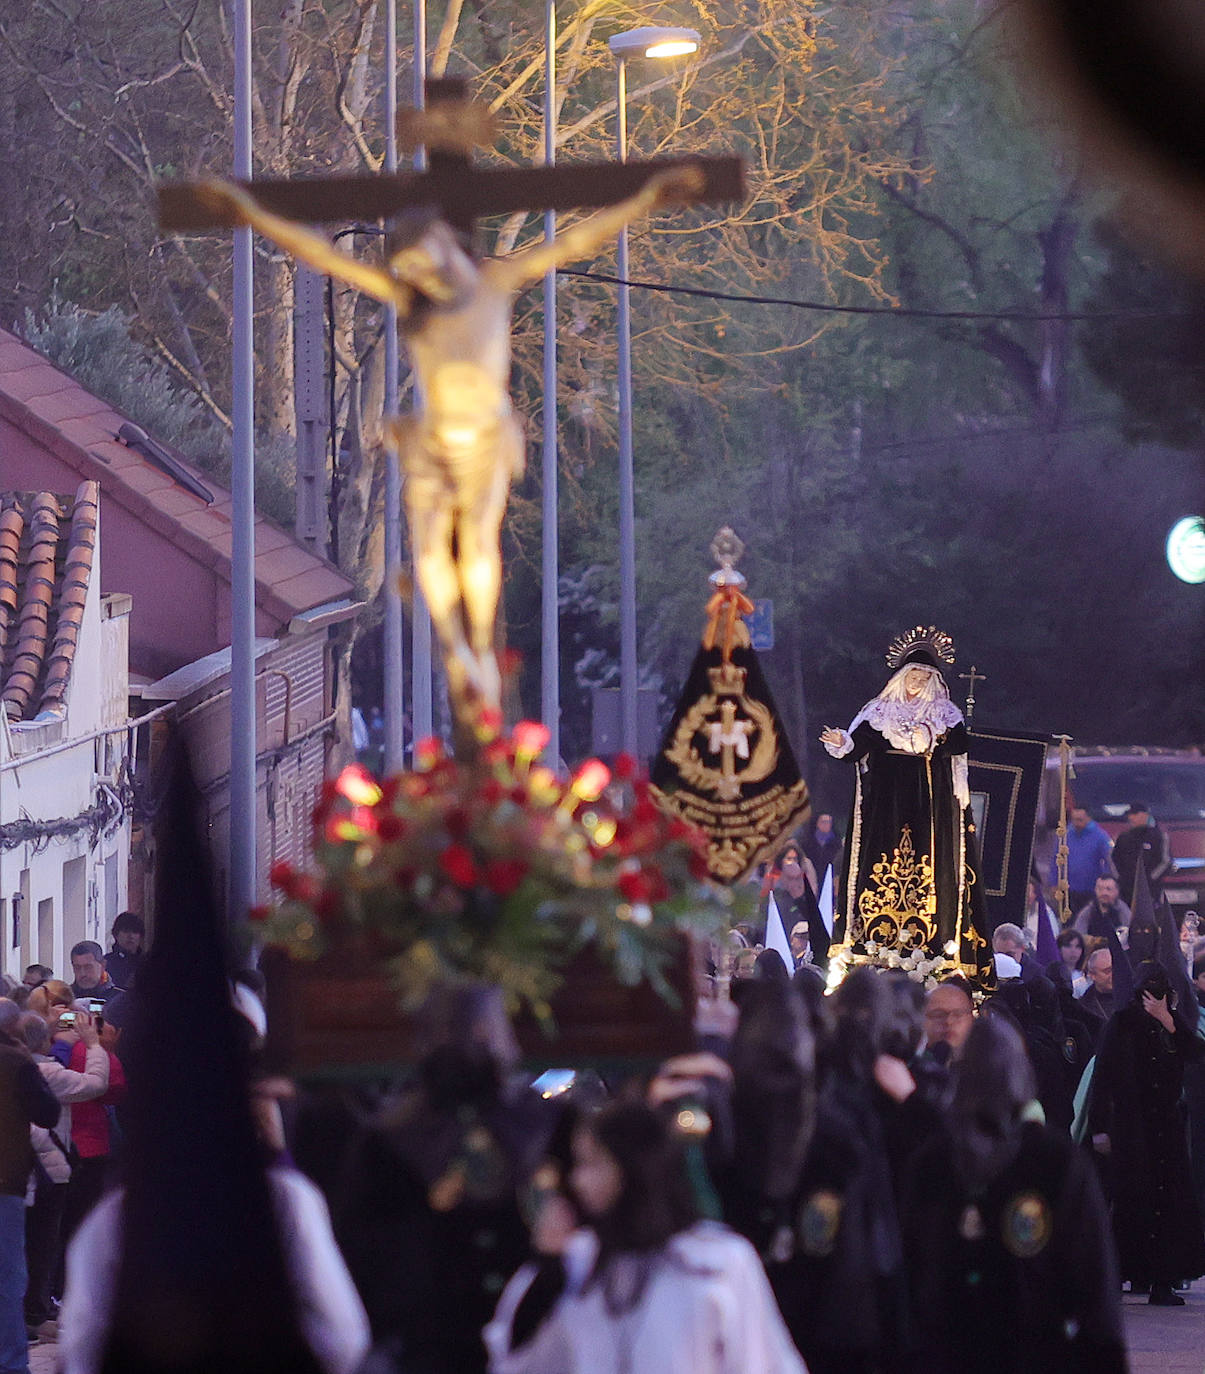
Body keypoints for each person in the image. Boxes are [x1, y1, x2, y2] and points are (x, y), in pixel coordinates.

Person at [193, 163, 704, 726]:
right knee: (431, 552)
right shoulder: (412, 298)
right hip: (433, 441)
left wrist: (647, 199)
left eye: (419, 264)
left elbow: (578, 240)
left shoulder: (496, 282)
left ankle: (480, 645)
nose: (418, 281)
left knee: (479, 544)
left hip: (484, 438)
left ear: (440, 241)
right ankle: (457, 650)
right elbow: (326, 258)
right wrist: (250, 213)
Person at [485, 1101, 805, 1374]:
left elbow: (762, 1361)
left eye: (592, 1163)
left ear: (632, 1169)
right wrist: (548, 1268)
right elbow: (515, 1359)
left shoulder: (716, 1260)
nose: (577, 1180)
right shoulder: (577, 1261)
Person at [336, 984, 555, 1374]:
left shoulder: (546, 1125)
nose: (475, 1042)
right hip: (431, 1346)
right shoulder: (386, 1144)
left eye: (485, 1030)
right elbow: (371, 1261)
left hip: (539, 1337)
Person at [902, 1017, 1126, 1373]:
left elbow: (910, 1273)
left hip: (947, 1350)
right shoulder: (1056, 1159)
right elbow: (1093, 1280)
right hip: (1035, 1348)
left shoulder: (933, 1160)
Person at [820, 627, 990, 984]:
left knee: (930, 871)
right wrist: (842, 742)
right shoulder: (879, 712)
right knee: (881, 865)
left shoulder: (944, 713)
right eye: (912, 674)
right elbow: (858, 747)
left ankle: (932, 948)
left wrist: (930, 736)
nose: (916, 681)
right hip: (886, 805)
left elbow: (960, 744)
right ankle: (873, 943)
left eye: (924, 676)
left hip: (930, 806)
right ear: (901, 676)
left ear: (932, 680)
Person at [1088, 961, 1205, 1304]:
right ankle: (1130, 1272)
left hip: (1166, 1126)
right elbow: (1103, 1078)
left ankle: (1163, 1280)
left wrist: (1168, 1020)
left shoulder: (1172, 1023)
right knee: (1132, 1199)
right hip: (1131, 1125)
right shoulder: (1121, 1024)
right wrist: (1099, 1128)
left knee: (1168, 1201)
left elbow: (1195, 1051)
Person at [17, 1010, 109, 1344]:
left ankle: (26, 1314)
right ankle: (33, 1315)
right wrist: (93, 1044)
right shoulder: (47, 1071)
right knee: (42, 1245)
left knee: (18, 1245)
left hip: (17, 1172)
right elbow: (95, 1084)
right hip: (48, 1171)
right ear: (43, 1039)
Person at [0, 999, 61, 1374]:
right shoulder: (16, 1061)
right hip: (5, 1180)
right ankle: (10, 1363)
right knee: (8, 1278)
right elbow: (48, 1112)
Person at [1050, 806, 1114, 915]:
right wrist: (1054, 882)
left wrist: (1106, 881)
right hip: (1068, 889)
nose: (1076, 823)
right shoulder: (1065, 835)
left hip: (1091, 889)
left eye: (1080, 820)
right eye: (1074, 820)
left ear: (1088, 818)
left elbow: (1109, 860)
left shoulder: (1100, 836)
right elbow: (1056, 859)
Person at [1111, 802, 1172, 906]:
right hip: (1126, 892)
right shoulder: (1123, 838)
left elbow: (1165, 862)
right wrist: (1121, 880)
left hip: (1151, 892)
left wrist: (1149, 880)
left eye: (1134, 814)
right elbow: (1114, 860)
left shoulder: (1159, 837)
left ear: (1145, 815)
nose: (1131, 818)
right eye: (1129, 815)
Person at [102, 913, 144, 992]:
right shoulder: (106, 963)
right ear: (116, 935)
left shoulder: (147, 963)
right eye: (126, 931)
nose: (130, 936)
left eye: (135, 932)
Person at [803, 813, 842, 889]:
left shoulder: (837, 843)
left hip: (830, 879)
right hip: (812, 878)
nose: (826, 824)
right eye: (823, 822)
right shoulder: (808, 841)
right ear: (817, 823)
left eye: (828, 822)